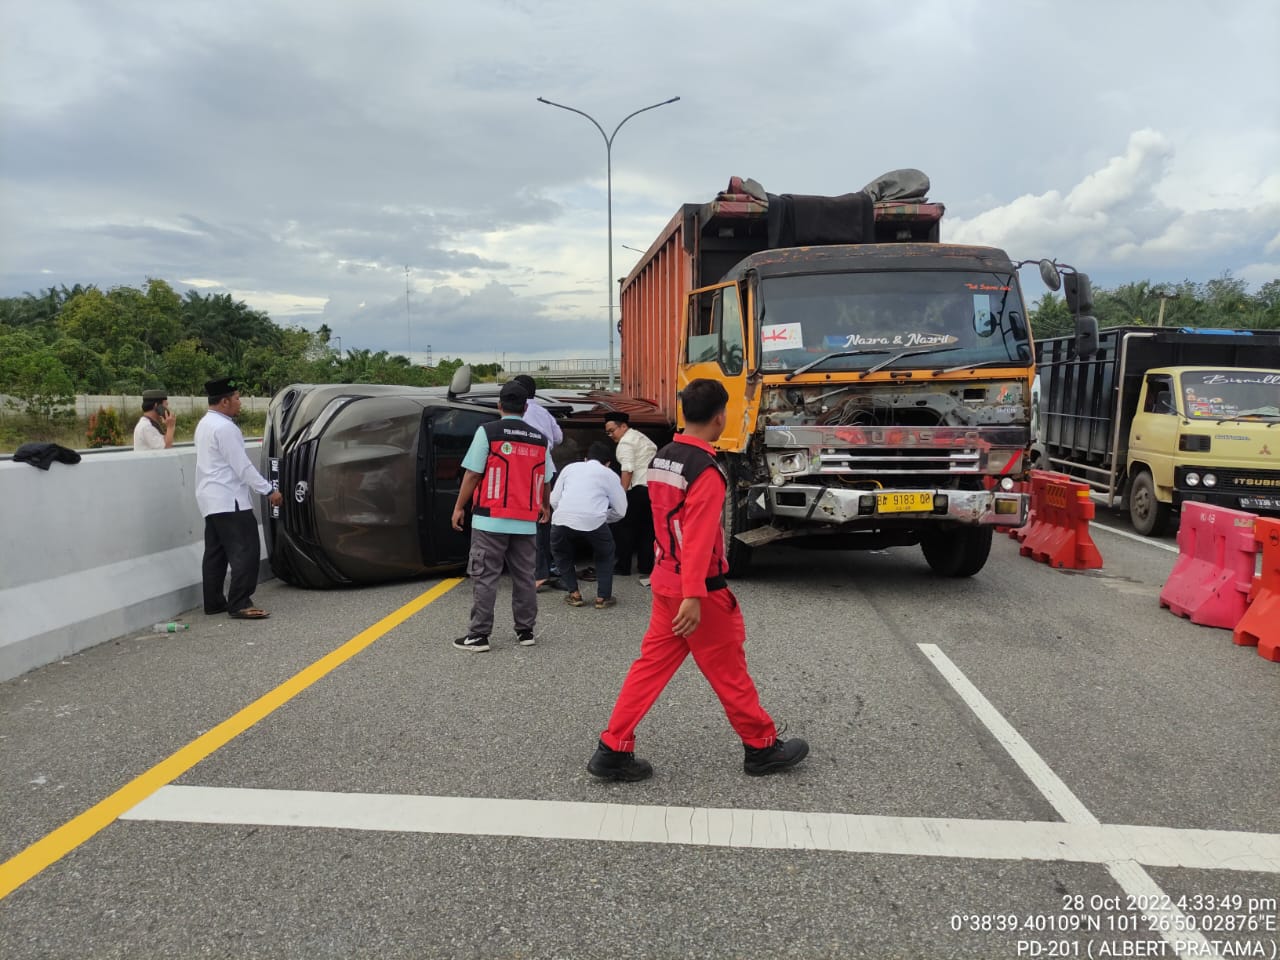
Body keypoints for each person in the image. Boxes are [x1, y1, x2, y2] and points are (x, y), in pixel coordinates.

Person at [588, 379, 808, 781]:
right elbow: (699, 538)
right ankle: (761, 747)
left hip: (665, 580)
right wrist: (695, 595)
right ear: (720, 416)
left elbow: (664, 526)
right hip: (698, 591)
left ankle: (612, 748)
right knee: (729, 671)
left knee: (649, 668)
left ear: (686, 413)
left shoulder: (663, 458)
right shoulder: (706, 470)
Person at [450, 381, 555, 652]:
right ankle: (525, 631)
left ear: (499, 406)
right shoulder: (539, 438)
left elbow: (473, 473)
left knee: (486, 576)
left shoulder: (488, 432)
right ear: (525, 407)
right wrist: (545, 505)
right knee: (524, 577)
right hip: (526, 520)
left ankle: (479, 635)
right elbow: (546, 478)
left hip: (490, 519)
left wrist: (459, 506)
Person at [194, 377, 283, 619]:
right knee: (246, 550)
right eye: (236, 398)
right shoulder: (225, 428)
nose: (239, 402)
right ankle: (240, 602)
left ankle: (213, 602)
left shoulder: (204, 424)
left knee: (216, 553)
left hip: (210, 499)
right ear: (224, 402)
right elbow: (242, 467)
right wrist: (268, 490)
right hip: (230, 499)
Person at [550, 441, 627, 610]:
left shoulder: (570, 468)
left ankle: (574, 594)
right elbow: (621, 510)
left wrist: (567, 513)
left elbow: (554, 499)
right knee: (605, 553)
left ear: (586, 458)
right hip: (594, 521)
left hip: (561, 518)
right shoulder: (609, 474)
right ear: (608, 463)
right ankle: (603, 598)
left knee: (562, 553)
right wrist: (603, 516)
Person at [513, 374, 564, 591]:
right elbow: (559, 437)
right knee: (546, 520)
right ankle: (551, 568)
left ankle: (539, 573)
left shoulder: (522, 412)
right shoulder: (543, 411)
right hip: (549, 468)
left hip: (531, 471)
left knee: (533, 522)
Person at [604, 411, 657, 585]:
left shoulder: (625, 443)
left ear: (623, 426)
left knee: (623, 528)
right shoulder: (641, 438)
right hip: (650, 489)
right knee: (647, 530)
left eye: (612, 430)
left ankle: (623, 566)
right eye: (608, 432)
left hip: (636, 490)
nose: (611, 435)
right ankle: (645, 565)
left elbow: (627, 470)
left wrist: (621, 494)